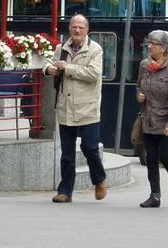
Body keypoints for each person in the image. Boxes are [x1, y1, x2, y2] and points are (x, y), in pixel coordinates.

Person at [44, 14, 107, 203]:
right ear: (69, 29)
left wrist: (68, 68)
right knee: (67, 153)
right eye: (74, 27)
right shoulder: (61, 48)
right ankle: (65, 191)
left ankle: (99, 179)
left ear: (87, 30)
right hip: (65, 107)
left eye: (81, 27)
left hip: (87, 108)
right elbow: (48, 63)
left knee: (89, 147)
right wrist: (49, 70)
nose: (77, 30)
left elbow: (93, 74)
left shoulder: (95, 50)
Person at [137, 30, 168, 208]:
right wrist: (139, 96)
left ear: (164, 48)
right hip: (148, 120)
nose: (150, 46)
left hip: (166, 122)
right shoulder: (144, 65)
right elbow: (139, 87)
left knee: (166, 155)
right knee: (150, 158)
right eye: (149, 43)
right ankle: (154, 195)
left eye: (154, 44)